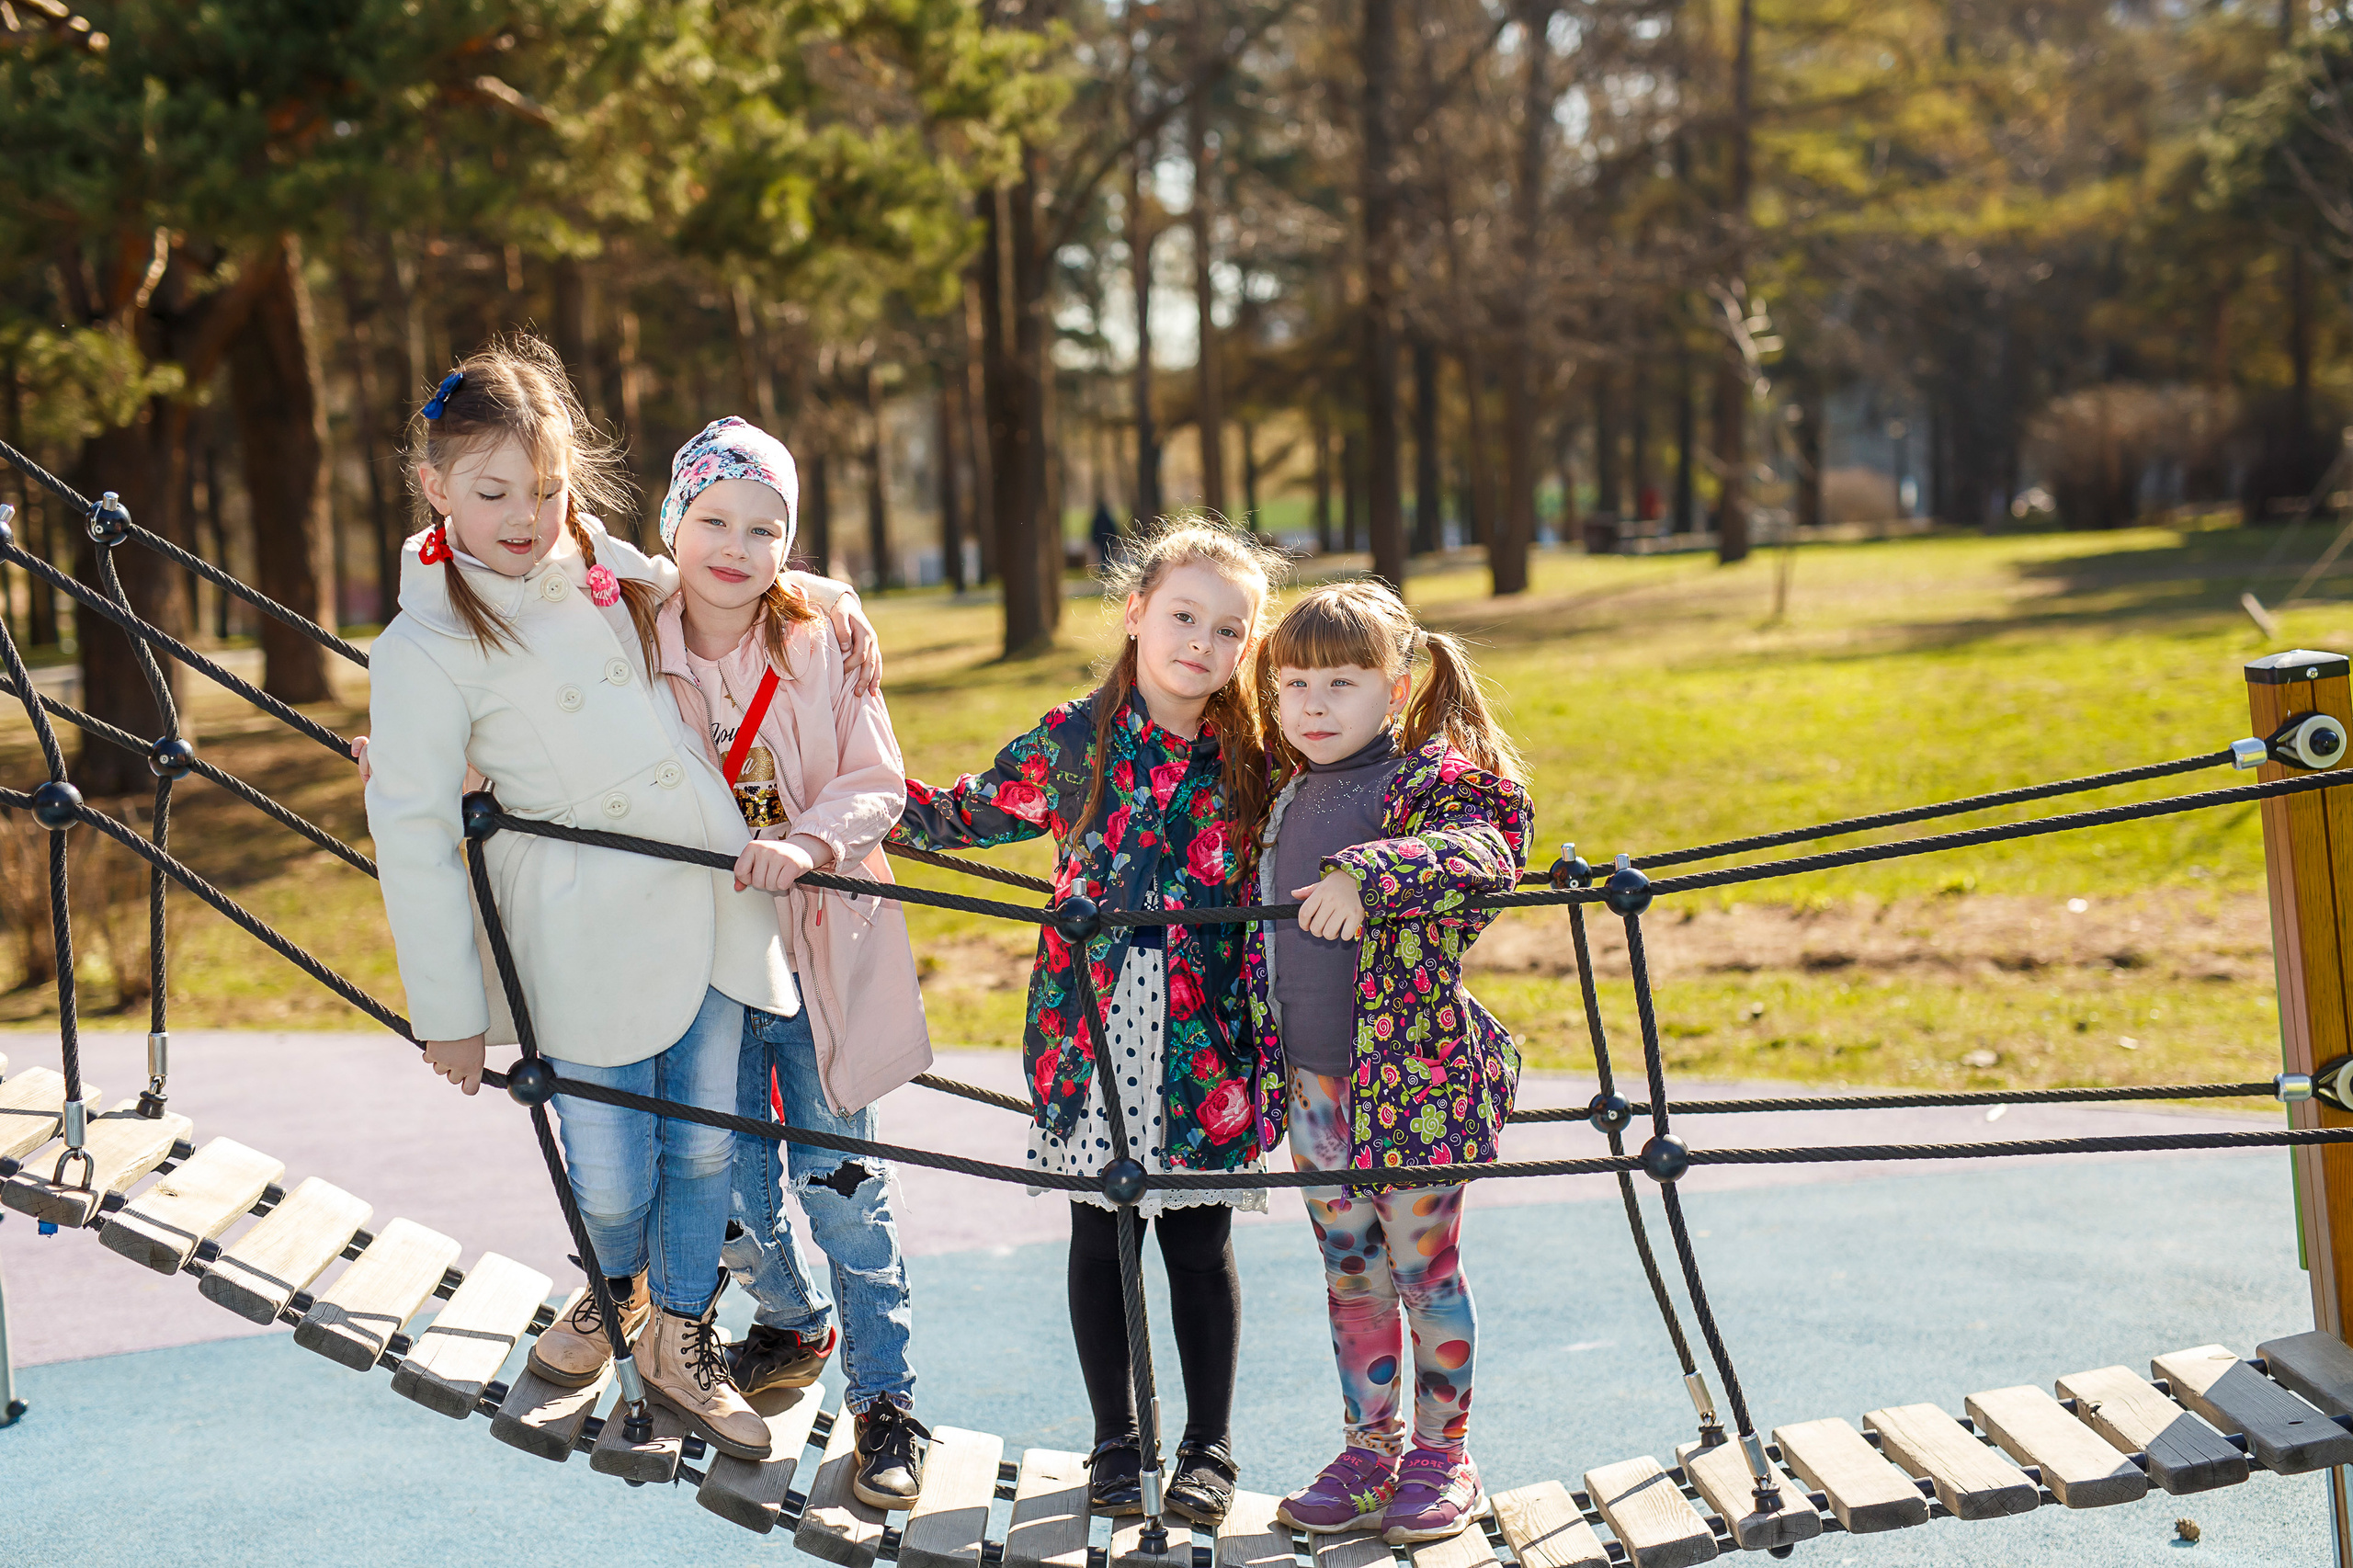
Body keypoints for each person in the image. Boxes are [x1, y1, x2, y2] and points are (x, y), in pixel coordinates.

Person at [363, 337, 806, 1465]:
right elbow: (412, 836)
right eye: (492, 491)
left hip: (706, 892)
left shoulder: (604, 565)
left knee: (703, 1149)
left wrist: (817, 598)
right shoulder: (420, 645)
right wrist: (447, 1009)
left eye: (549, 487)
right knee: (610, 1167)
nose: (526, 514)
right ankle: (612, 1291)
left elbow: (711, 577)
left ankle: (678, 1341)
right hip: (581, 931)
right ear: (435, 488)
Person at [892, 519, 1282, 1526]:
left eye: (1229, 629)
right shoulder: (1074, 738)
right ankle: (1117, 1436)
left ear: (1250, 645)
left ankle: (1207, 1446)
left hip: (1208, 1046)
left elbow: (1333, 814)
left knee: (1197, 1240)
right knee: (1099, 1228)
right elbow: (957, 813)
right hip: (1092, 1030)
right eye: (1184, 615)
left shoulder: (1256, 756)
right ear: (1136, 612)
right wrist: (834, 784)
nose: (1201, 641)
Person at [648, 416, 936, 1509]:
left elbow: (877, 780)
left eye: (765, 527)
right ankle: (786, 1316)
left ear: (791, 543)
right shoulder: (633, 633)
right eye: (712, 518)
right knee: (722, 1191)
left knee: (843, 1191)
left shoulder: (820, 638)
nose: (735, 544)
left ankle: (886, 1399)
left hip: (816, 956)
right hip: (703, 966)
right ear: (674, 525)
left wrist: (804, 840)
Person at [1247, 582, 1533, 1545]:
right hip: (1313, 1090)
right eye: (1294, 683)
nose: (1314, 703)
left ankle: (1444, 1454)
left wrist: (1364, 874)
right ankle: (1369, 1451)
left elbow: (1489, 847)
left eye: (1341, 680)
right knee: (1349, 1272)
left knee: (1423, 1268)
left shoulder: (1427, 783)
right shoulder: (1284, 789)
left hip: (1412, 1088)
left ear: (1395, 687)